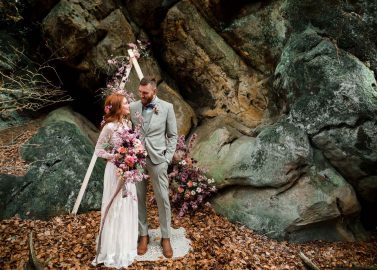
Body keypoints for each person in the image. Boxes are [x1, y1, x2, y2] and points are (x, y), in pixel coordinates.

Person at [130, 76, 178, 258]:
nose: (141, 95)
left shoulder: (167, 108)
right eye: (140, 92)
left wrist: (167, 159)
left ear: (154, 91)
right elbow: (128, 131)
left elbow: (173, 136)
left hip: (158, 160)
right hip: (137, 161)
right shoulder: (133, 107)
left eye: (145, 93)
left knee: (163, 199)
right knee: (138, 197)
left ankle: (166, 237)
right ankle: (143, 235)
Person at [92, 93, 138, 269]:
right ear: (118, 107)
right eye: (126, 103)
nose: (129, 105)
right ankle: (111, 251)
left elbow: (132, 145)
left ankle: (125, 247)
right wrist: (115, 156)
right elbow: (98, 150)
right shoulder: (109, 128)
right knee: (114, 207)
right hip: (115, 170)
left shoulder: (128, 124)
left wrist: (135, 154)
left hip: (129, 170)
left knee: (127, 206)